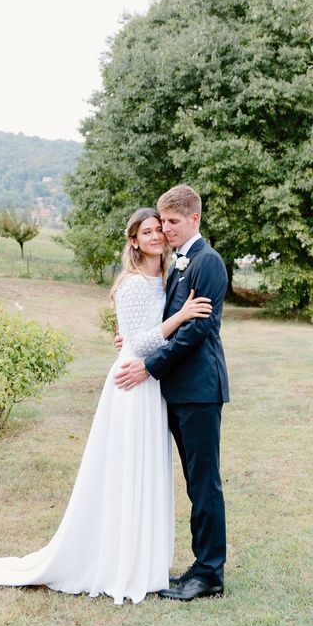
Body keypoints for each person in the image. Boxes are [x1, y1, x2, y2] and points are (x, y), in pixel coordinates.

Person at [0, 208, 212, 605]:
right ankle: (119, 562)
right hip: (133, 383)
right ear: (134, 241)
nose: (157, 235)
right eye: (147, 231)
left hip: (151, 382)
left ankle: (144, 563)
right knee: (126, 471)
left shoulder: (166, 277)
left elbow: (135, 335)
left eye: (160, 229)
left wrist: (146, 331)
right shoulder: (132, 284)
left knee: (145, 471)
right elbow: (139, 343)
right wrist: (180, 317)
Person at [114, 184, 229, 601]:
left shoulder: (207, 262)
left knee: (204, 483)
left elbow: (196, 331)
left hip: (199, 389)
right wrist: (131, 341)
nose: (166, 229)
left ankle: (210, 574)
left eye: (173, 222)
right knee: (193, 483)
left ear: (194, 219)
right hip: (177, 391)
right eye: (162, 222)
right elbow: (163, 321)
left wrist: (148, 365)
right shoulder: (179, 263)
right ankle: (200, 564)